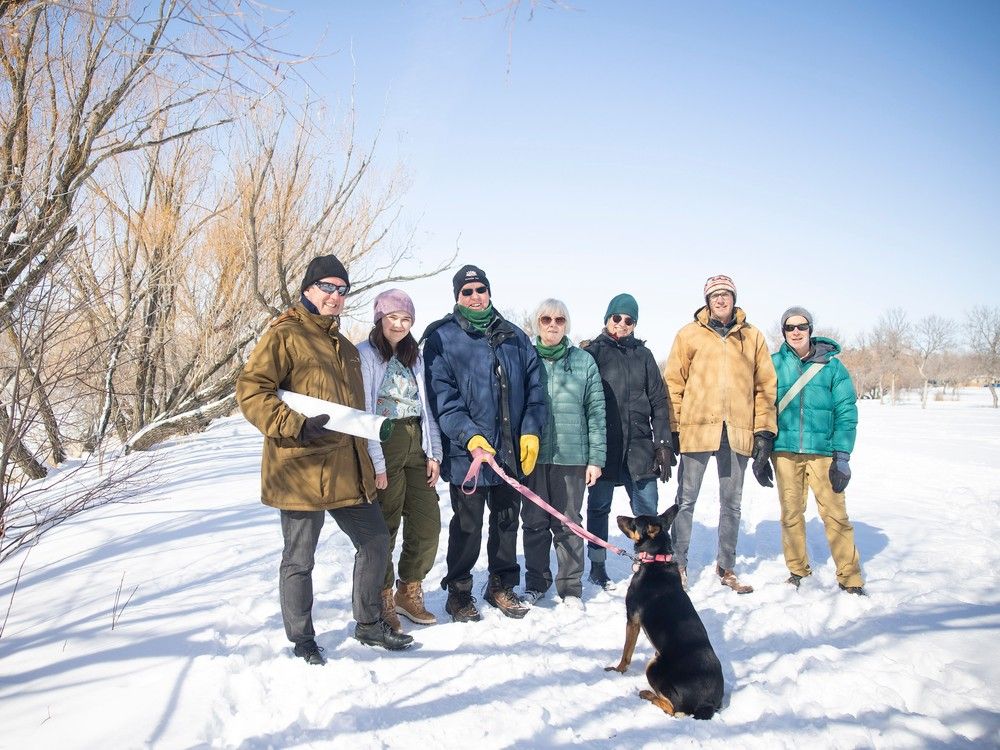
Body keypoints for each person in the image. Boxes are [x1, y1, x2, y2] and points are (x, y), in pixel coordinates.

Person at [236, 254, 413, 665]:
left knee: (375, 542)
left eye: (342, 289)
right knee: (299, 558)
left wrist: (371, 465)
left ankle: (368, 625)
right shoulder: (284, 335)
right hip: (299, 468)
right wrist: (295, 425)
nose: (336, 295)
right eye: (328, 287)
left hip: (346, 469)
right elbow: (251, 391)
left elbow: (354, 410)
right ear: (308, 290)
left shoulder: (347, 348)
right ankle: (302, 639)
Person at [422, 264, 547, 622]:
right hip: (469, 456)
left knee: (507, 522)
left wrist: (531, 430)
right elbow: (441, 398)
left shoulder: (514, 336)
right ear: (457, 297)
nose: (475, 297)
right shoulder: (441, 338)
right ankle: (459, 592)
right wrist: (469, 434)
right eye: (467, 292)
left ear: (489, 292)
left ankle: (500, 585)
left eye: (480, 290)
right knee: (467, 526)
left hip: (509, 452)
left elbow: (536, 389)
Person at [663, 274, 777, 594]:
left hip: (737, 431)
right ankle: (679, 564)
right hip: (698, 429)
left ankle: (726, 566)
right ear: (707, 301)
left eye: (726, 294)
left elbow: (765, 387)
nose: (720, 300)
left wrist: (764, 432)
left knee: (732, 503)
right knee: (685, 501)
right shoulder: (688, 335)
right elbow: (673, 384)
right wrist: (674, 428)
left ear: (734, 298)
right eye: (714, 296)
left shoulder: (752, 337)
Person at [358, 289, 444, 632]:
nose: (399, 324)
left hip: (416, 440)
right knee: (387, 525)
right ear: (380, 318)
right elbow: (364, 410)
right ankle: (383, 597)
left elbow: (427, 409)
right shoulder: (365, 354)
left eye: (406, 319)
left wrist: (433, 452)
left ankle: (410, 589)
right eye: (393, 317)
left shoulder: (414, 355)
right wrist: (377, 462)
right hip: (386, 439)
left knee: (428, 522)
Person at [771, 306, 865, 595]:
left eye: (801, 326)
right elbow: (761, 407)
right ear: (783, 332)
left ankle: (850, 577)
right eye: (790, 327)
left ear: (811, 329)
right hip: (785, 451)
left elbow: (846, 411)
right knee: (791, 513)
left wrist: (843, 456)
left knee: (835, 514)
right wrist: (760, 447)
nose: (796, 331)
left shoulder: (833, 367)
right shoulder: (773, 364)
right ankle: (798, 569)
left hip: (824, 453)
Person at [581, 293, 673, 590]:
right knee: (598, 508)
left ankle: (649, 562)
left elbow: (659, 400)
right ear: (607, 318)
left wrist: (663, 443)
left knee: (647, 510)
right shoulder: (593, 353)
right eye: (616, 318)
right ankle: (597, 564)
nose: (621, 324)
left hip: (640, 447)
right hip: (605, 447)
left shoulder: (643, 356)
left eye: (628, 320)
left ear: (635, 324)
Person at [521, 299, 606, 608]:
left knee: (569, 523)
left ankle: (570, 587)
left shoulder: (583, 361)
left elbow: (596, 411)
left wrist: (595, 458)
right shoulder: (525, 358)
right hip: (533, 455)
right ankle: (536, 583)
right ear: (537, 323)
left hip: (572, 456)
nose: (553, 324)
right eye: (546, 319)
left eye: (559, 319)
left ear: (566, 324)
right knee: (533, 521)